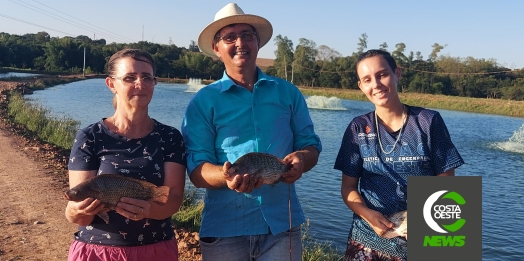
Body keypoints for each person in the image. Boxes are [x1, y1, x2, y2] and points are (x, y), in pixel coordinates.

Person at [181, 3, 322, 261]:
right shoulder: (203, 101)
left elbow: (310, 145)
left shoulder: (288, 92)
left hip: (282, 227)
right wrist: (226, 177)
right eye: (229, 37)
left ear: (258, 42)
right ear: (216, 48)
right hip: (224, 230)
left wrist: (302, 159)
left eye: (247, 35)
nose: (240, 42)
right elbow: (196, 170)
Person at [334, 49, 465, 261]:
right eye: (367, 79)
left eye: (382, 74)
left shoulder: (427, 121)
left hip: (425, 236)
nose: (375, 84)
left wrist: (422, 221)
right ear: (360, 86)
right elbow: (348, 187)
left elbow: (448, 185)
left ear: (397, 73)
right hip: (368, 239)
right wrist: (367, 215)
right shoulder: (358, 127)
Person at [64, 48, 186, 261]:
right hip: (98, 251)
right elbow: (77, 215)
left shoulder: (170, 137)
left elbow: (173, 200)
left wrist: (147, 210)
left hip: (156, 250)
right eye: (130, 78)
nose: (140, 84)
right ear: (112, 84)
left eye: (147, 77)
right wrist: (75, 211)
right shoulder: (89, 137)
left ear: (154, 82)